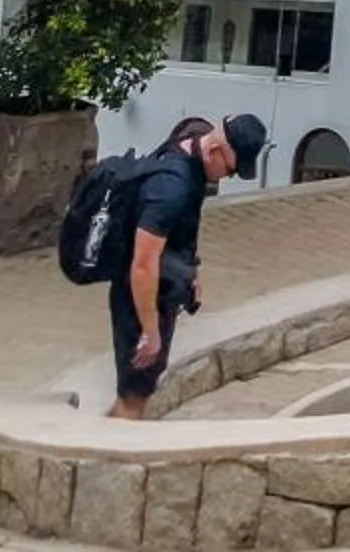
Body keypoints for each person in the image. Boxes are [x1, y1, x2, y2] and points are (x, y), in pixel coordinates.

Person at [108, 113, 266, 419]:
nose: (226, 177)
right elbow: (142, 263)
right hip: (139, 297)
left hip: (161, 287)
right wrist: (150, 331)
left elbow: (179, 234)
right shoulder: (172, 187)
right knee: (133, 396)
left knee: (139, 390)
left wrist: (190, 271)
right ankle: (109, 457)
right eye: (231, 169)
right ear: (215, 149)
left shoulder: (192, 142)